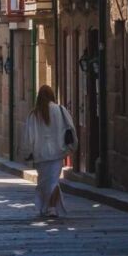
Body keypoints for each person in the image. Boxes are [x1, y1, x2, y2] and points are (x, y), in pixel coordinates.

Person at [22, 84, 78, 219]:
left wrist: (27, 151)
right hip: (57, 152)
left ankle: (49, 206)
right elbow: (70, 128)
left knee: (45, 181)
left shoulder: (33, 115)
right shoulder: (60, 110)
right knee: (53, 180)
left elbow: (29, 136)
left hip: (40, 154)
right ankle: (50, 207)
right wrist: (72, 147)